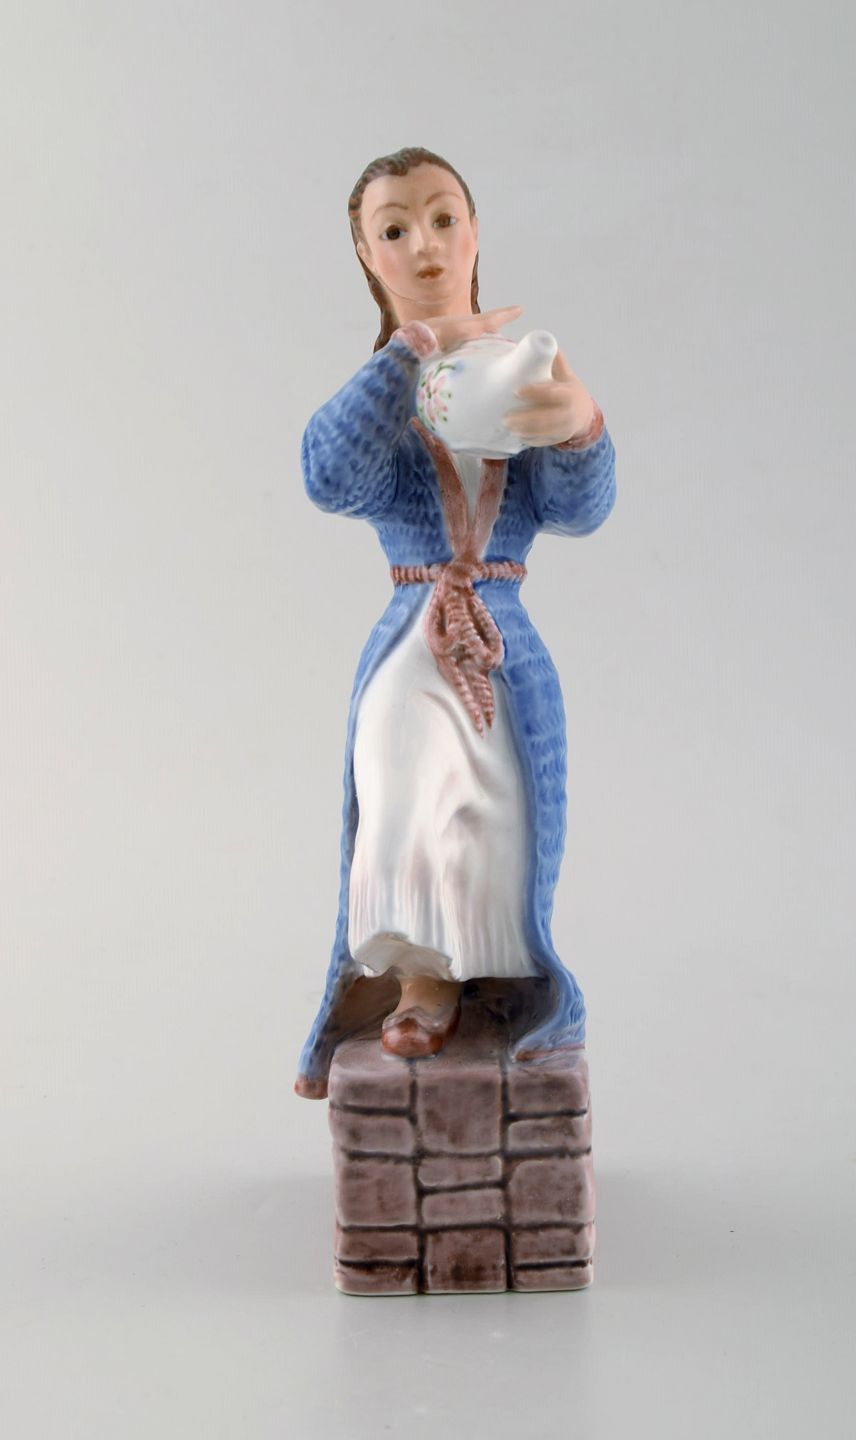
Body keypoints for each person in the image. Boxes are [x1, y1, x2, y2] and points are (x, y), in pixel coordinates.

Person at [294, 146, 615, 1099]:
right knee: (403, 790)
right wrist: (410, 351)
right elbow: (327, 476)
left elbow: (581, 508)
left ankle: (501, 972)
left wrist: (581, 424)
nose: (426, 246)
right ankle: (423, 976)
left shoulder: (522, 371)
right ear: (368, 257)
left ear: (475, 234)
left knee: (505, 806)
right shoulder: (387, 397)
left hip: (502, 636)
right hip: (414, 632)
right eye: (395, 229)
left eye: (443, 219)